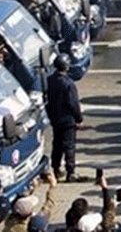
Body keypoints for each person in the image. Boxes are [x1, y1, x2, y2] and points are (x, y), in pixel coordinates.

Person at [45, 54, 87, 182]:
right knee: (69, 146)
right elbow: (73, 103)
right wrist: (79, 118)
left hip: (55, 118)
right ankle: (71, 172)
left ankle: (55, 169)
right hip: (67, 119)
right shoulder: (68, 83)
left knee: (57, 144)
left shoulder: (50, 80)